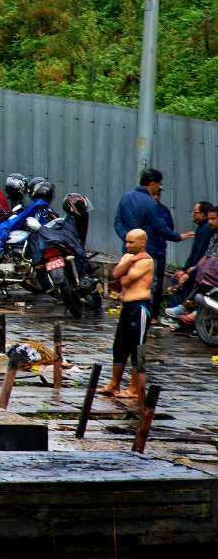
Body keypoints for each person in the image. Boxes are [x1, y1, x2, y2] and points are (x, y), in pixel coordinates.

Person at [114, 168, 193, 319]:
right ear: (152, 183)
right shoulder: (150, 203)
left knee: (128, 282)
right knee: (150, 285)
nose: (159, 188)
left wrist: (128, 239)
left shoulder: (125, 198)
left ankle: (128, 315)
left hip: (128, 252)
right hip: (149, 252)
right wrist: (179, 236)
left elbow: (117, 222)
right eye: (159, 185)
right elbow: (160, 227)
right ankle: (146, 319)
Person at [100, 229, 155, 398]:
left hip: (140, 307)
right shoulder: (128, 257)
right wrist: (131, 259)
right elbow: (115, 274)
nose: (127, 245)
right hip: (126, 307)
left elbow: (125, 280)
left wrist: (125, 268)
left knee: (136, 347)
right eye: (127, 241)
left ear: (142, 243)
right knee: (119, 345)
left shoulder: (147, 261)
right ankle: (114, 384)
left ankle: (134, 388)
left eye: (132, 242)